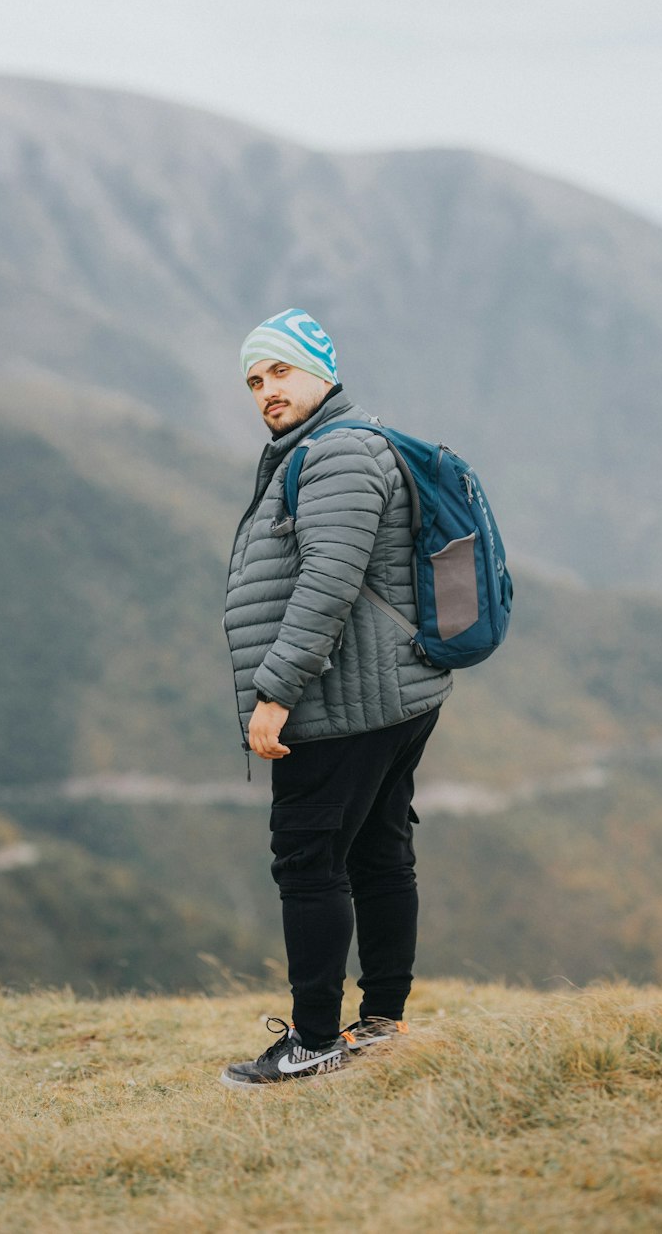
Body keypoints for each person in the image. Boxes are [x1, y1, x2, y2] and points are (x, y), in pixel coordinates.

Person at [221, 308, 451, 1088]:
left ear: (322, 370)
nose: (266, 391)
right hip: (384, 691)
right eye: (255, 380)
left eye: (280, 371)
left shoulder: (339, 454)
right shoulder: (318, 450)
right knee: (378, 851)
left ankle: (315, 1039)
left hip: (345, 697)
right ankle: (382, 1024)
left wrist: (276, 692)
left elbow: (328, 582)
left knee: (309, 856)